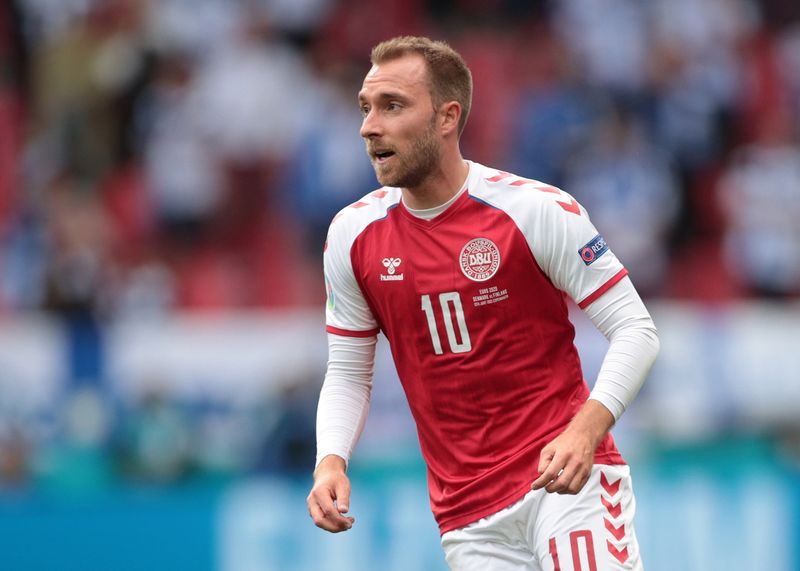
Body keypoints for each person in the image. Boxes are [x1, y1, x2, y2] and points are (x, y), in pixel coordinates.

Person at [306, 36, 660, 571]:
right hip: (467, 519)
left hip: (566, 486)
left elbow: (636, 329)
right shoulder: (353, 235)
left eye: (392, 106)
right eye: (365, 108)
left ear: (447, 117)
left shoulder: (533, 211)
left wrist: (586, 430)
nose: (369, 126)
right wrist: (330, 461)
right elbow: (350, 370)